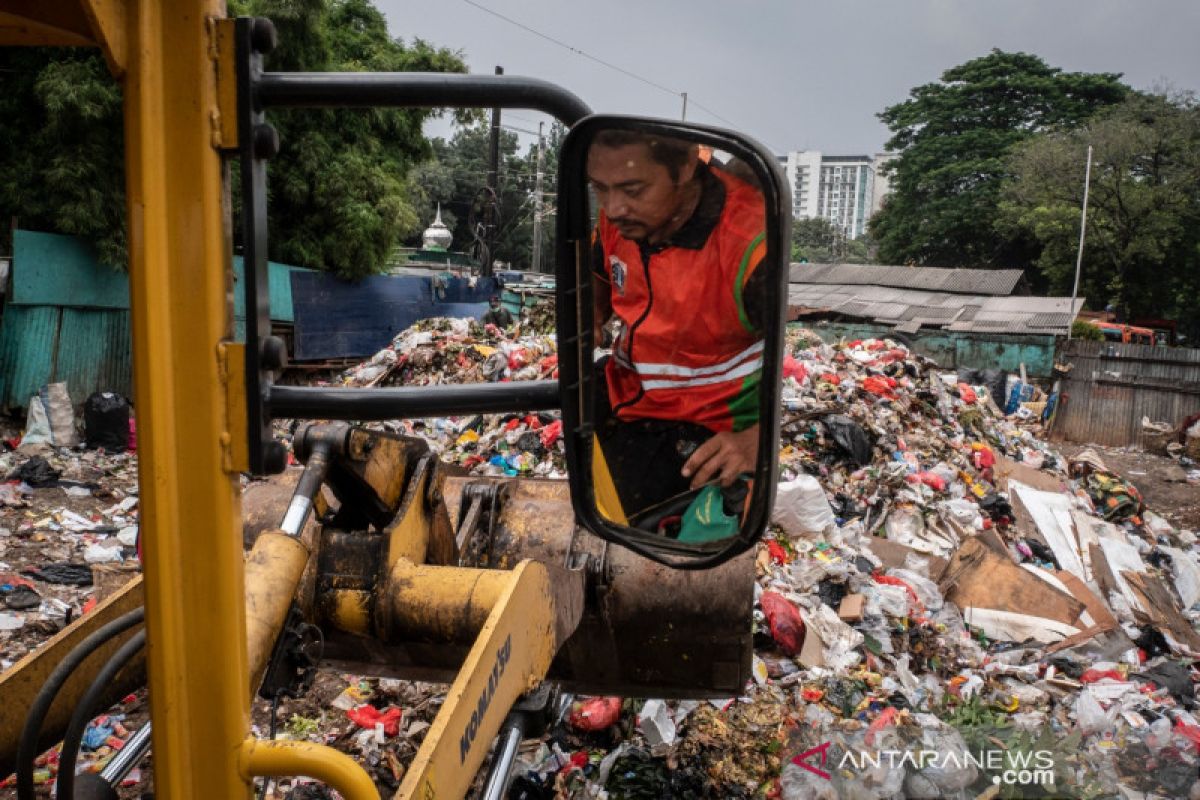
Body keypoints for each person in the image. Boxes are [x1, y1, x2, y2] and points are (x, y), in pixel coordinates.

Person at [588, 129, 770, 517]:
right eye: (600, 189)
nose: (614, 207)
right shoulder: (618, 220)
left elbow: (784, 352)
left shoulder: (752, 245)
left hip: (708, 428)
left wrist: (757, 440)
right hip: (624, 395)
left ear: (686, 166)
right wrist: (592, 314)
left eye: (633, 190)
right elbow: (596, 272)